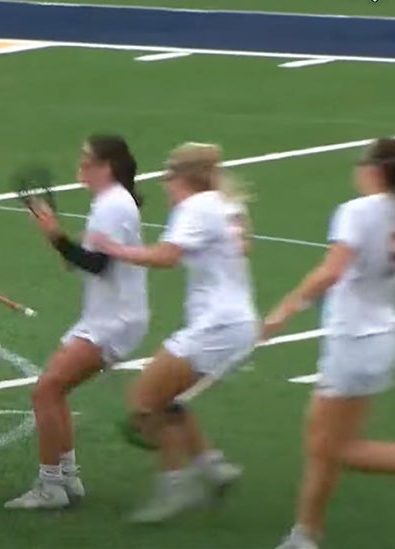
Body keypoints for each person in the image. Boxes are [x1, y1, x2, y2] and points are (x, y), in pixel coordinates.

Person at [89, 142, 256, 523]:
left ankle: (175, 486)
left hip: (218, 324)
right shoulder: (226, 203)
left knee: (145, 398)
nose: (165, 184)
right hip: (235, 321)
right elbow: (243, 245)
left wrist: (115, 249)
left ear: (179, 177)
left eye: (167, 176)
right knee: (171, 398)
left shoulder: (194, 207)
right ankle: (211, 468)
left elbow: (166, 256)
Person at [3, 135, 149, 510]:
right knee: (54, 390)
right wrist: (59, 240)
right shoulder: (110, 203)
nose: (80, 166)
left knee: (46, 391)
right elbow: (86, 260)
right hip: (108, 315)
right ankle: (66, 477)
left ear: (106, 167)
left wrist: (56, 237)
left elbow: (98, 264)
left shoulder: (113, 206)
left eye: (87, 161)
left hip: (113, 320)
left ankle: (51, 484)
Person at [264, 138, 395, 549]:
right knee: (327, 445)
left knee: (329, 446)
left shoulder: (358, 212)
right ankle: (305, 533)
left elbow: (330, 272)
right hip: (382, 333)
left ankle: (305, 534)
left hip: (354, 340)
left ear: (374, 170)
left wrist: (286, 307)